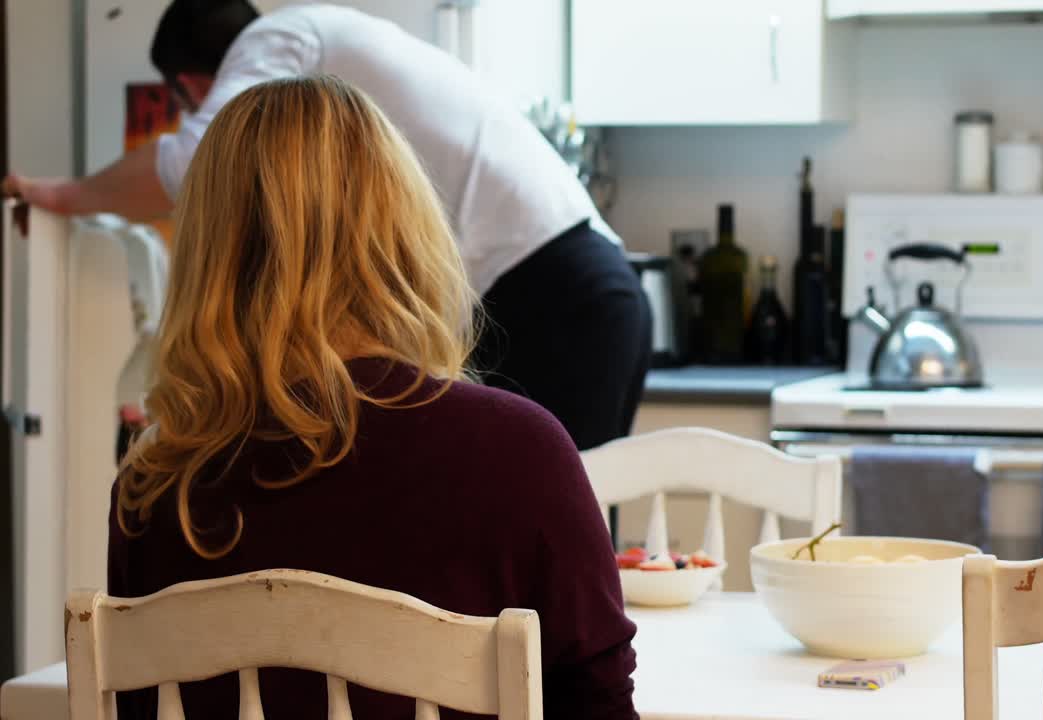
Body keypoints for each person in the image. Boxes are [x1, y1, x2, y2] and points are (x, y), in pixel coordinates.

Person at [109, 75, 637, 719]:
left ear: (209, 255)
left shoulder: (153, 491)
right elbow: (599, 707)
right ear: (404, 228)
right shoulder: (520, 454)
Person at [5, 0, 649, 452]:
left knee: (548, 567)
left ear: (192, 84)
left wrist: (61, 194)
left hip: (555, 300)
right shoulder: (328, 35)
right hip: (589, 289)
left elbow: (200, 159)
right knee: (565, 553)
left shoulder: (275, 43)